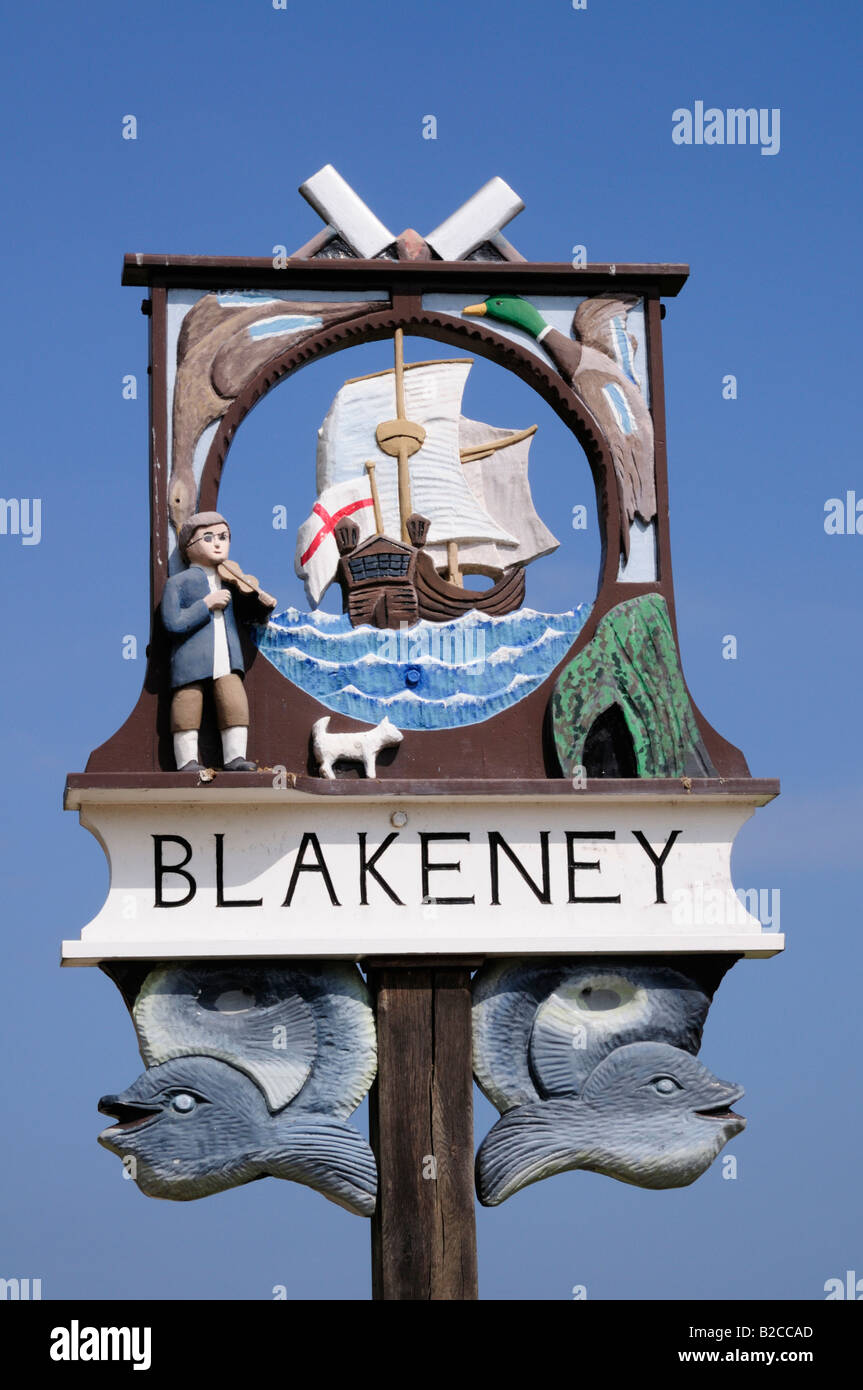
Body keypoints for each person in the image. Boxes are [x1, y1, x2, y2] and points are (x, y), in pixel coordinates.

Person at [161, 511, 276, 771]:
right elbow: (173, 622)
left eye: (224, 537)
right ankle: (187, 761)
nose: (217, 543)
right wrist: (205, 605)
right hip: (191, 659)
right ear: (189, 546)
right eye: (209, 537)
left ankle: (235, 758)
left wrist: (264, 605)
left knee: (234, 701)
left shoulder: (232, 580)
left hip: (226, 656)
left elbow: (250, 615)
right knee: (187, 705)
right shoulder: (179, 582)